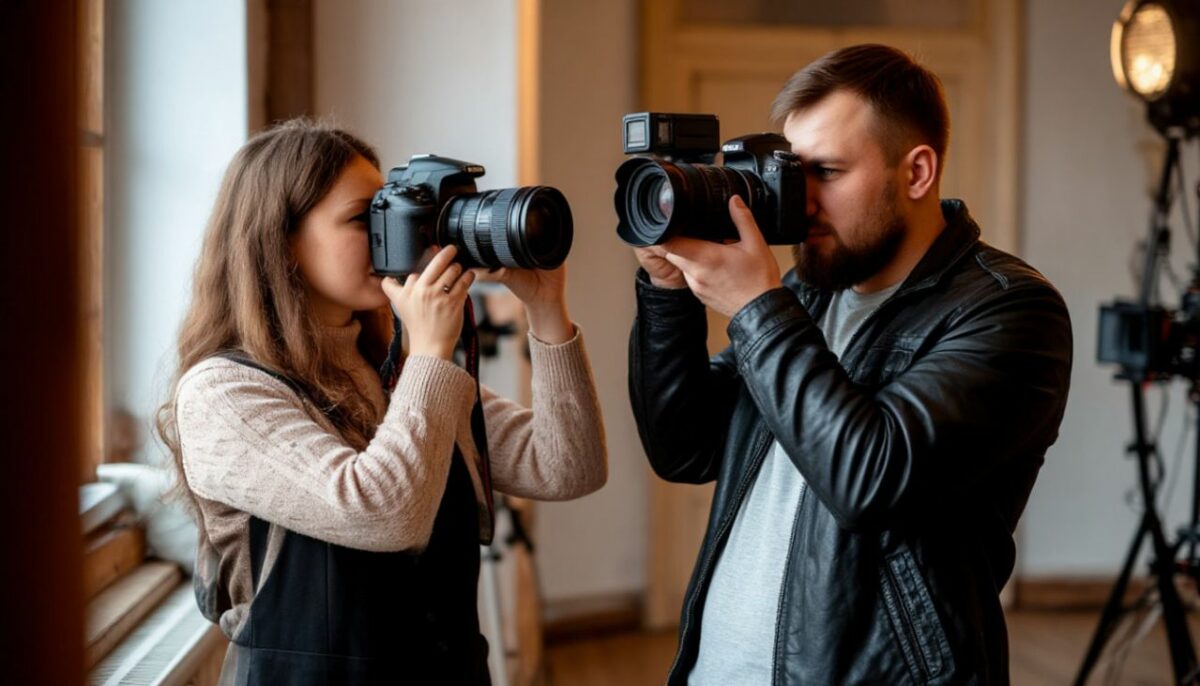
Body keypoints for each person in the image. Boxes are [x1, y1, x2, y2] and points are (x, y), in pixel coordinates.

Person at [629, 44, 1072, 684]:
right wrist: (668, 293)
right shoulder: (809, 295)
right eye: (790, 170)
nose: (798, 200)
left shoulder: (1011, 312)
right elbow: (685, 448)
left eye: (827, 173)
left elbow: (871, 479)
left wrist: (756, 305)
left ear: (916, 172)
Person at [157, 119, 607, 685]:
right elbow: (383, 514)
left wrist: (547, 310)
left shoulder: (397, 374)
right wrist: (431, 351)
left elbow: (571, 467)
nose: (390, 234)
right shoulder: (223, 393)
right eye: (361, 218)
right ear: (280, 238)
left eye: (390, 211)